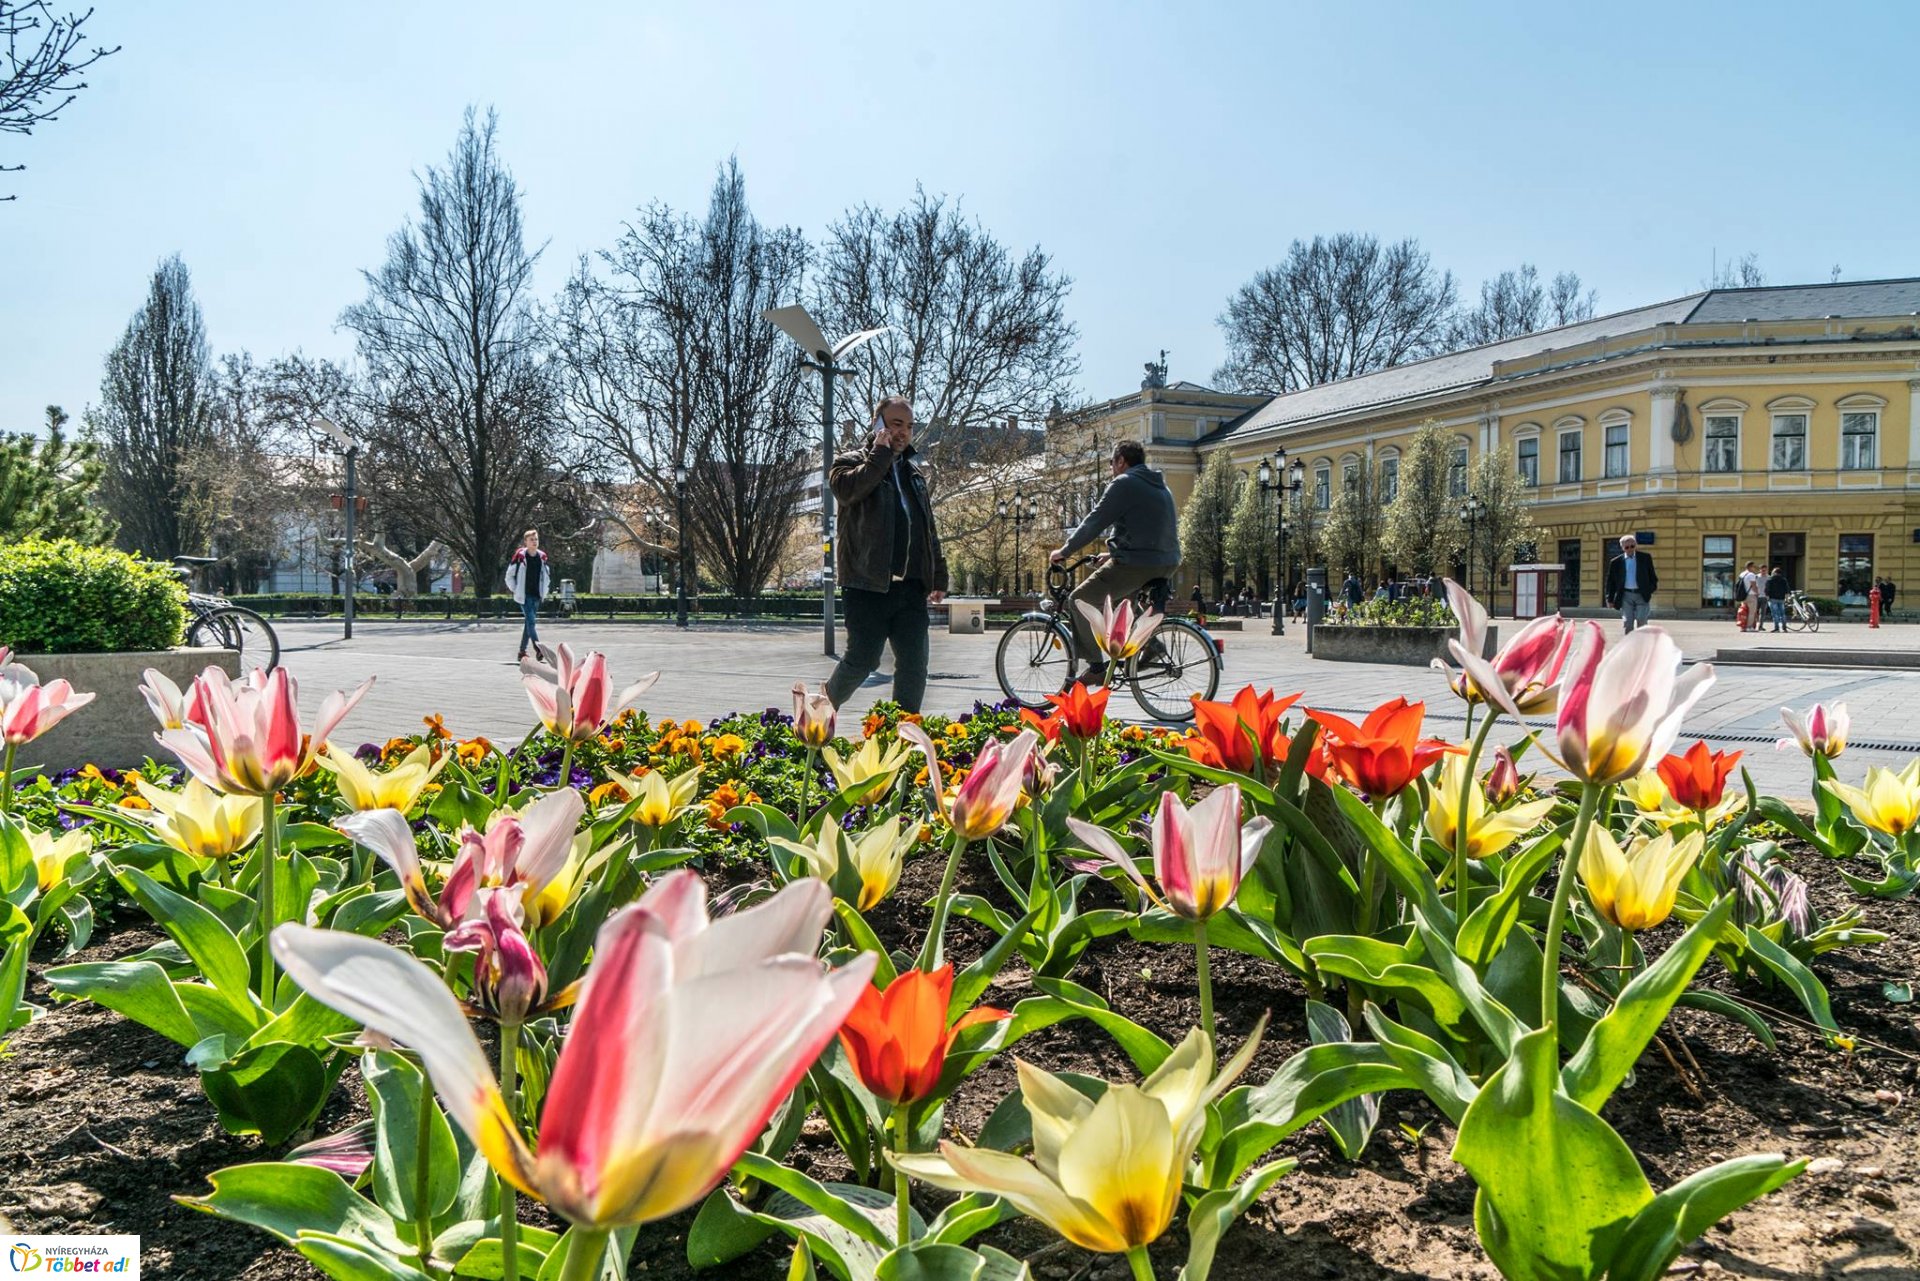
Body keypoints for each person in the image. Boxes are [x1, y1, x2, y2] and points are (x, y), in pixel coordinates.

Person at [822, 396, 948, 714]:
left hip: (910, 590)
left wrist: (939, 574)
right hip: (866, 586)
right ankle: (816, 719)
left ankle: (901, 739)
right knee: (861, 661)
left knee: (914, 667)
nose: (904, 432)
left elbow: (927, 529)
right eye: (896, 424)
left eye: (909, 426)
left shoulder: (914, 476)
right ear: (877, 423)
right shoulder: (847, 463)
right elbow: (849, 491)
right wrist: (879, 454)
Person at [1050, 439, 1181, 684]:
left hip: (1137, 564)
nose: (1111, 467)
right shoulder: (1160, 485)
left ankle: (1096, 667)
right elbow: (1147, 530)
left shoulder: (1124, 483)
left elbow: (1095, 520)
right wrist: (1112, 554)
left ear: (1122, 461)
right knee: (1121, 602)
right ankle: (1151, 644)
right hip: (1167, 560)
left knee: (1078, 600)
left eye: (1112, 462)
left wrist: (1065, 551)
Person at [505, 528, 550, 661]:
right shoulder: (520, 556)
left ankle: (522, 652)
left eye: (536, 539)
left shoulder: (542, 557)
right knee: (531, 622)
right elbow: (509, 576)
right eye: (531, 540)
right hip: (524, 596)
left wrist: (544, 591)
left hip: (536, 595)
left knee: (528, 624)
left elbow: (546, 577)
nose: (534, 542)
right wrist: (516, 589)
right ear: (526, 542)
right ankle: (538, 648)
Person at [1603, 534, 1659, 633]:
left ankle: (1641, 645)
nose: (1630, 549)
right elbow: (1611, 582)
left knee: (1642, 621)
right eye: (1627, 547)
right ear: (1622, 548)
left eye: (1632, 546)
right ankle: (1630, 645)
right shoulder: (1615, 562)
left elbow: (1652, 577)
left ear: (1635, 545)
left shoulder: (1645, 558)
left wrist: (1649, 589)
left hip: (1642, 594)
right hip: (1626, 595)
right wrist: (1609, 598)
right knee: (1628, 623)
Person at [1736, 560, 1764, 631]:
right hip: (1751, 595)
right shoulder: (1751, 575)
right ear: (1750, 567)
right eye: (1754, 567)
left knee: (1744, 611)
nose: (1754, 568)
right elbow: (1753, 585)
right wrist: (1757, 593)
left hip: (1743, 595)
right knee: (1752, 612)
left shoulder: (1742, 574)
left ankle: (1743, 627)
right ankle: (1749, 627)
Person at [1765, 564, 1790, 631]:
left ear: (1775, 572)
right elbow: (1787, 590)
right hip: (1781, 599)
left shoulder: (1770, 579)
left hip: (1772, 599)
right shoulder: (1784, 580)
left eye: (1773, 571)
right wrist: (1786, 599)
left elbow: (1767, 590)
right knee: (1782, 614)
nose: (1772, 572)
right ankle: (1784, 628)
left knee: (1775, 614)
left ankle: (1777, 628)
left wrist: (1767, 598)